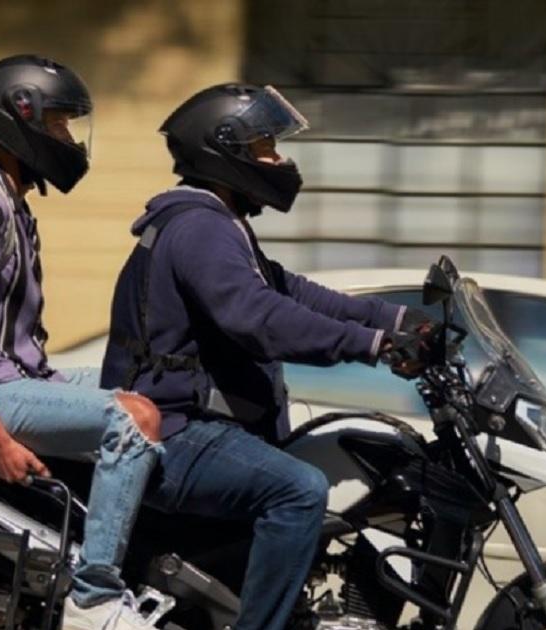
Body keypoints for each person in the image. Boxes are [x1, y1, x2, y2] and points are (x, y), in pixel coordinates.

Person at [100, 83, 436, 630]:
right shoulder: (200, 228)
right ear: (225, 150)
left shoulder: (220, 223)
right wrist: (373, 347)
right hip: (175, 431)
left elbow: (291, 291)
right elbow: (258, 318)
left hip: (193, 423)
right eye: (266, 148)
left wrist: (396, 320)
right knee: (300, 490)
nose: (280, 160)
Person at [0, 54, 163, 630]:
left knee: (148, 392)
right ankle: (95, 594)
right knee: (131, 421)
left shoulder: (12, 204)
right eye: (57, 125)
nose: (68, 139)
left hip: (21, 378)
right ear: (18, 120)